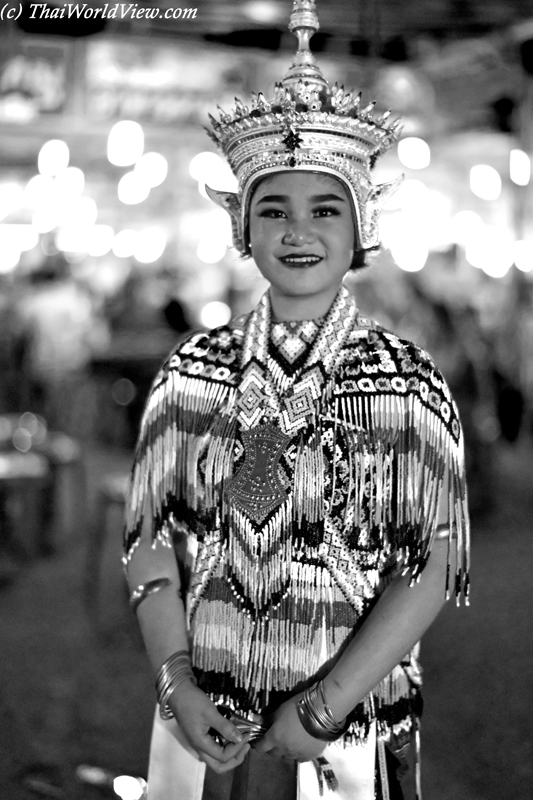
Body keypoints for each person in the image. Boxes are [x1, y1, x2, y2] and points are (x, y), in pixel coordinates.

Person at [123, 2, 470, 798]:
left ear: (360, 227)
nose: (297, 231)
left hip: (351, 722)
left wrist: (320, 709)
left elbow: (432, 562)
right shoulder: (191, 371)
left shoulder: (405, 381)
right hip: (205, 704)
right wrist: (174, 677)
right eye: (272, 209)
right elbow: (148, 537)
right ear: (243, 227)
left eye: (324, 209)